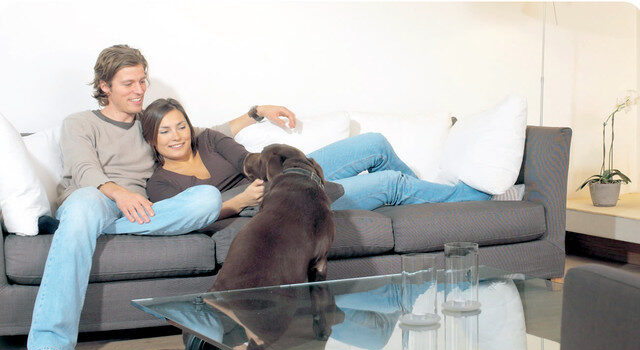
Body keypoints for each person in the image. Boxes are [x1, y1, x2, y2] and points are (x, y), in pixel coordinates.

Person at [24, 44, 295, 350]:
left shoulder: (149, 124)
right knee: (82, 211)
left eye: (142, 81)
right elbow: (83, 168)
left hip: (143, 211)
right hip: (94, 198)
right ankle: (49, 344)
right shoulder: (80, 122)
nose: (139, 90)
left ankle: (76, 228)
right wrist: (119, 192)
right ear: (105, 86)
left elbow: (204, 134)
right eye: (128, 83)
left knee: (207, 199)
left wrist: (256, 112)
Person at [143, 98, 490, 212]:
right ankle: (472, 200)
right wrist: (240, 201)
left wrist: (278, 165)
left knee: (374, 143)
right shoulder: (160, 185)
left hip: (282, 176)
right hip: (273, 204)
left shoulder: (208, 139)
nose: (177, 136)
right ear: (151, 138)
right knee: (391, 183)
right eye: (165, 131)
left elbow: (247, 160)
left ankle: (428, 202)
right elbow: (190, 218)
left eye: (181, 126)